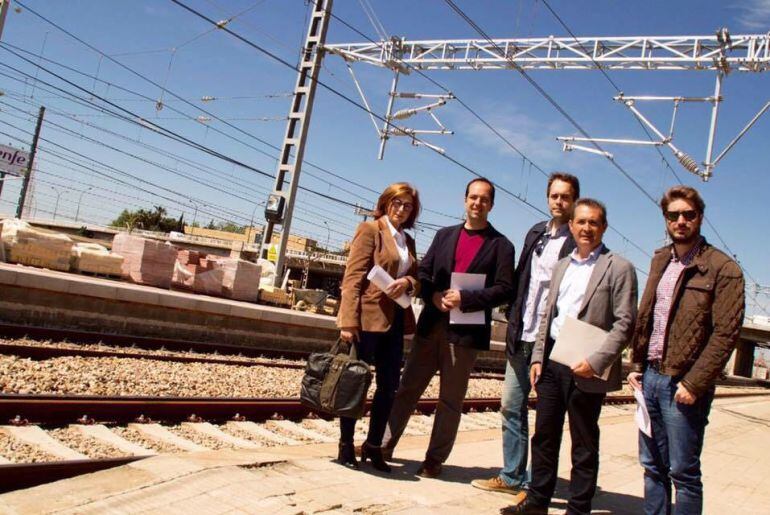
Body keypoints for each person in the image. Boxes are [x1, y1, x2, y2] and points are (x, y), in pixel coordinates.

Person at [380, 177, 515, 478]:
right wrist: (434, 295)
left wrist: (466, 297)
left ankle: (434, 459)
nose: (477, 203)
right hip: (432, 326)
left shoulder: (502, 246)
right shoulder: (444, 236)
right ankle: (384, 446)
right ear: (465, 200)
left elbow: (506, 288)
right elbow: (425, 273)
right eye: (473, 197)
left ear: (491, 205)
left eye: (484, 199)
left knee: (450, 401)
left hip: (465, 334)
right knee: (407, 389)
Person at [509, 198, 638, 514]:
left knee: (583, 442)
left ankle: (578, 508)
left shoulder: (619, 267)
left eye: (594, 222)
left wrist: (596, 362)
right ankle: (537, 501)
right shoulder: (562, 265)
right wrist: (538, 357)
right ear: (571, 225)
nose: (587, 228)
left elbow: (625, 323)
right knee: (544, 437)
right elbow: (546, 314)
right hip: (554, 361)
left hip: (587, 367)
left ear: (604, 227)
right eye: (581, 222)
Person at [627, 185, 745, 515]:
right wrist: (636, 362)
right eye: (673, 215)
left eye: (688, 215)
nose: (680, 221)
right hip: (650, 378)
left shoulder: (723, 269)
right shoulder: (660, 259)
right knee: (652, 465)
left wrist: (695, 383)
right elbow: (647, 312)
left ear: (700, 218)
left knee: (683, 472)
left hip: (683, 384)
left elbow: (726, 333)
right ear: (665, 219)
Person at [472, 172, 579, 497]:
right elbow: (522, 279)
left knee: (548, 416)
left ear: (574, 200)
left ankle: (536, 485)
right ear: (548, 198)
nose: (559, 201)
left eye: (565, 196)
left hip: (553, 340)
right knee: (511, 405)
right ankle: (512, 475)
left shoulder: (578, 239)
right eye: (554, 195)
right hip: (522, 332)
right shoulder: (536, 233)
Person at [336, 182, 421, 472]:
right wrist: (348, 320)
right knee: (356, 383)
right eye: (396, 203)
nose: (401, 209)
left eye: (407, 205)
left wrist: (408, 282)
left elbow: (416, 278)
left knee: (389, 388)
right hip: (367, 320)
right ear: (385, 203)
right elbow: (354, 276)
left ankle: (373, 447)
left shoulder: (407, 241)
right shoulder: (370, 230)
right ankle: (346, 444)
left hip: (396, 321)